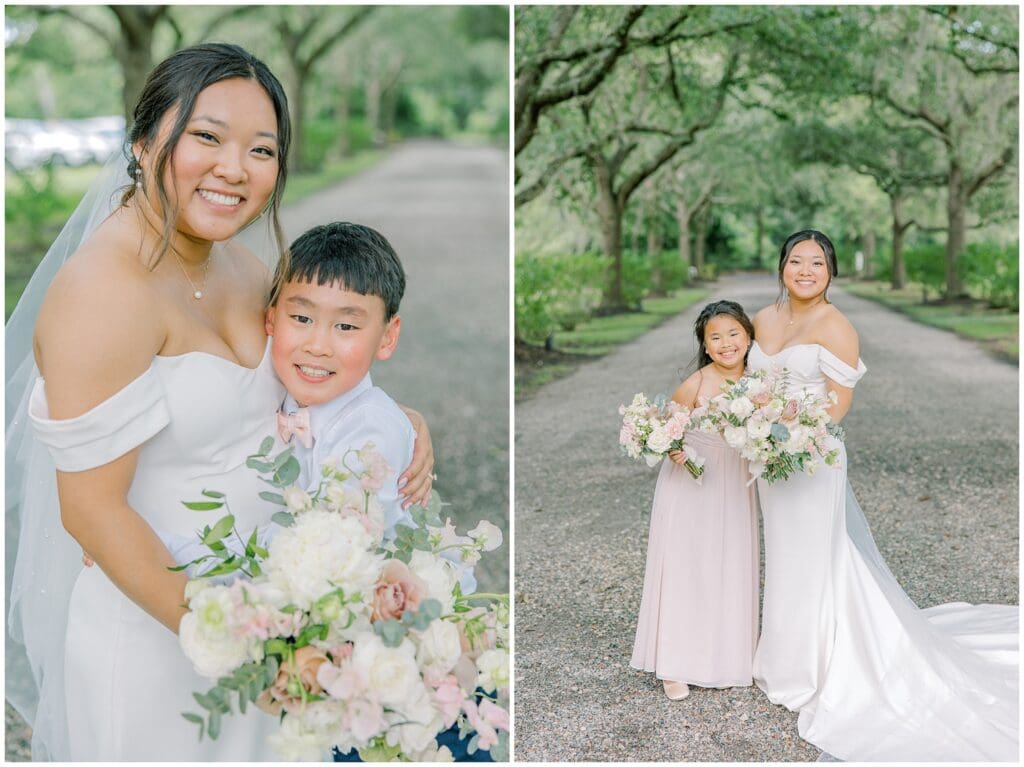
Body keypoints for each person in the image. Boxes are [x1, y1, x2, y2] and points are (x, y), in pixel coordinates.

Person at [6, 44, 434, 761]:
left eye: (261, 150)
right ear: (143, 144)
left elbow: (306, 385)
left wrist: (403, 422)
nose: (235, 169)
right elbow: (92, 510)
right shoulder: (102, 291)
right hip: (161, 633)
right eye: (206, 137)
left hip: (280, 610)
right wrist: (247, 645)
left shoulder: (243, 265)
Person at [747, 229, 1018, 761]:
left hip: (809, 456)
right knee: (782, 555)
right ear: (782, 266)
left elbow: (838, 406)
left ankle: (812, 663)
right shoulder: (761, 319)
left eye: (818, 263)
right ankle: (780, 652)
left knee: (813, 556)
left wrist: (794, 439)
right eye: (796, 261)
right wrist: (749, 429)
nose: (805, 270)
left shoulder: (837, 327)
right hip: (765, 456)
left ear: (831, 272)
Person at [630, 300, 759, 700]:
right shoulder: (696, 384)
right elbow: (665, 432)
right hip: (692, 486)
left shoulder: (758, 383)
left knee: (730, 563)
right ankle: (674, 662)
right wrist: (674, 451)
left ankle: (726, 656)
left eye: (733, 334)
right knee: (688, 568)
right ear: (705, 346)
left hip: (735, 483)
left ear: (749, 337)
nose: (725, 344)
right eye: (715, 338)